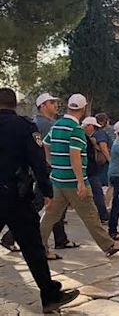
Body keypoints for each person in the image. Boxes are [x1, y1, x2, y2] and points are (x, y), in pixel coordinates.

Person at [0, 88, 80, 312]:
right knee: (33, 249)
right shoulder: (25, 127)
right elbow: (38, 163)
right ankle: (50, 295)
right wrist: (47, 191)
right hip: (16, 197)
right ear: (14, 104)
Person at [40, 94, 119, 260]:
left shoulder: (57, 125)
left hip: (57, 179)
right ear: (83, 109)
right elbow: (75, 155)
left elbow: (46, 144)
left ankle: (39, 248)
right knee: (90, 215)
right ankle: (108, 245)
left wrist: (52, 162)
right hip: (74, 182)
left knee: (50, 215)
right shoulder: (76, 130)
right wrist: (80, 181)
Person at [1, 92, 76, 252]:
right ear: (42, 106)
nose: (55, 105)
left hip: (39, 171)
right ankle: (12, 238)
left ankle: (60, 238)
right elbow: (39, 151)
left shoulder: (44, 123)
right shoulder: (43, 125)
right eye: (51, 102)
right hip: (45, 171)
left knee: (55, 205)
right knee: (38, 205)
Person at [82, 116, 110, 222]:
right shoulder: (96, 135)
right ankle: (103, 216)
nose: (94, 129)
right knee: (97, 192)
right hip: (90, 170)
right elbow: (103, 148)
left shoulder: (87, 137)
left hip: (88, 169)